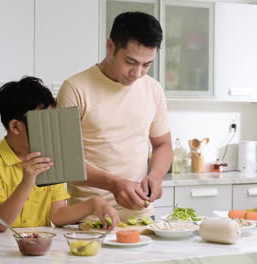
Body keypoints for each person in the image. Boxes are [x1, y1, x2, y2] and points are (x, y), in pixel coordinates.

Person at [56, 12, 172, 221]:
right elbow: (66, 164)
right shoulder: (74, 89)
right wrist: (114, 184)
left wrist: (156, 176)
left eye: (146, 65)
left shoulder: (153, 89)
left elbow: (162, 144)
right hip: (90, 218)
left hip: (142, 216)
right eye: (131, 62)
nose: (137, 73)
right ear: (110, 47)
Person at [0, 76, 119, 232]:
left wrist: (94, 203)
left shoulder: (49, 156)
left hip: (35, 247)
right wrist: (27, 181)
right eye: (43, 123)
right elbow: (0, 223)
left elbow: (57, 215)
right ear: (15, 126)